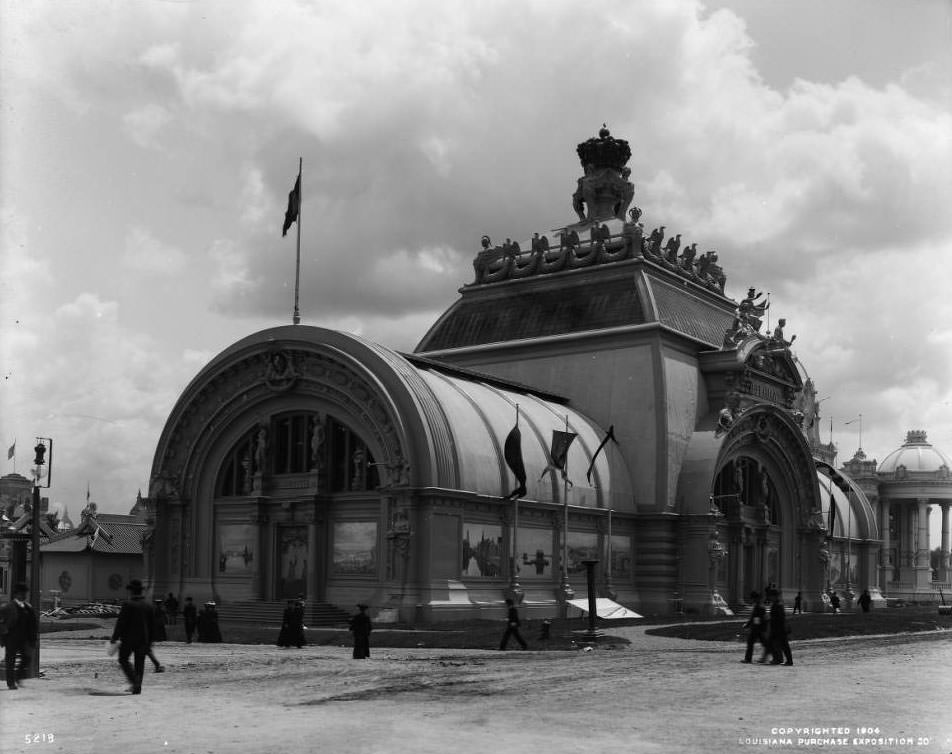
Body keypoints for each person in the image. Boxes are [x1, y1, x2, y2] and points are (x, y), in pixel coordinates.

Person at [110, 579, 155, 694]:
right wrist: (150, 642)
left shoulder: (128, 604)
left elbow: (121, 623)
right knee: (140, 663)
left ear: (131, 591)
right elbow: (152, 626)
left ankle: (135, 681)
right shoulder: (148, 606)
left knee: (123, 659)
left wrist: (115, 637)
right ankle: (137, 687)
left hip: (128, 639)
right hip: (143, 640)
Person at [0, 582, 37, 690]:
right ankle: (11, 683)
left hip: (24, 638)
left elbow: (32, 624)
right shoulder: (8, 607)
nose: (23, 596)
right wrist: (4, 631)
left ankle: (18, 676)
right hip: (11, 638)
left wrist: (32, 638)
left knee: (27, 657)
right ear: (16, 594)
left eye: (24, 593)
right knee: (10, 660)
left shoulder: (28, 608)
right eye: (21, 593)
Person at [767, 592, 793, 666]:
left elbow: (779, 618)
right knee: (775, 644)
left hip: (779, 628)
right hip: (777, 628)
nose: (771, 598)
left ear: (775, 597)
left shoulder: (778, 605)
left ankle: (785, 660)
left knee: (783, 645)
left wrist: (771, 619)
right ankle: (779, 659)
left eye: (772, 596)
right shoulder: (777, 605)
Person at [741, 591, 767, 664]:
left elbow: (755, 618)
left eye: (752, 598)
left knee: (751, 642)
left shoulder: (758, 606)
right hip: (759, 627)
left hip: (757, 628)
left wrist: (748, 625)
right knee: (763, 643)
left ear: (755, 598)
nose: (752, 600)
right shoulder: (759, 605)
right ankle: (773, 654)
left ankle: (748, 659)